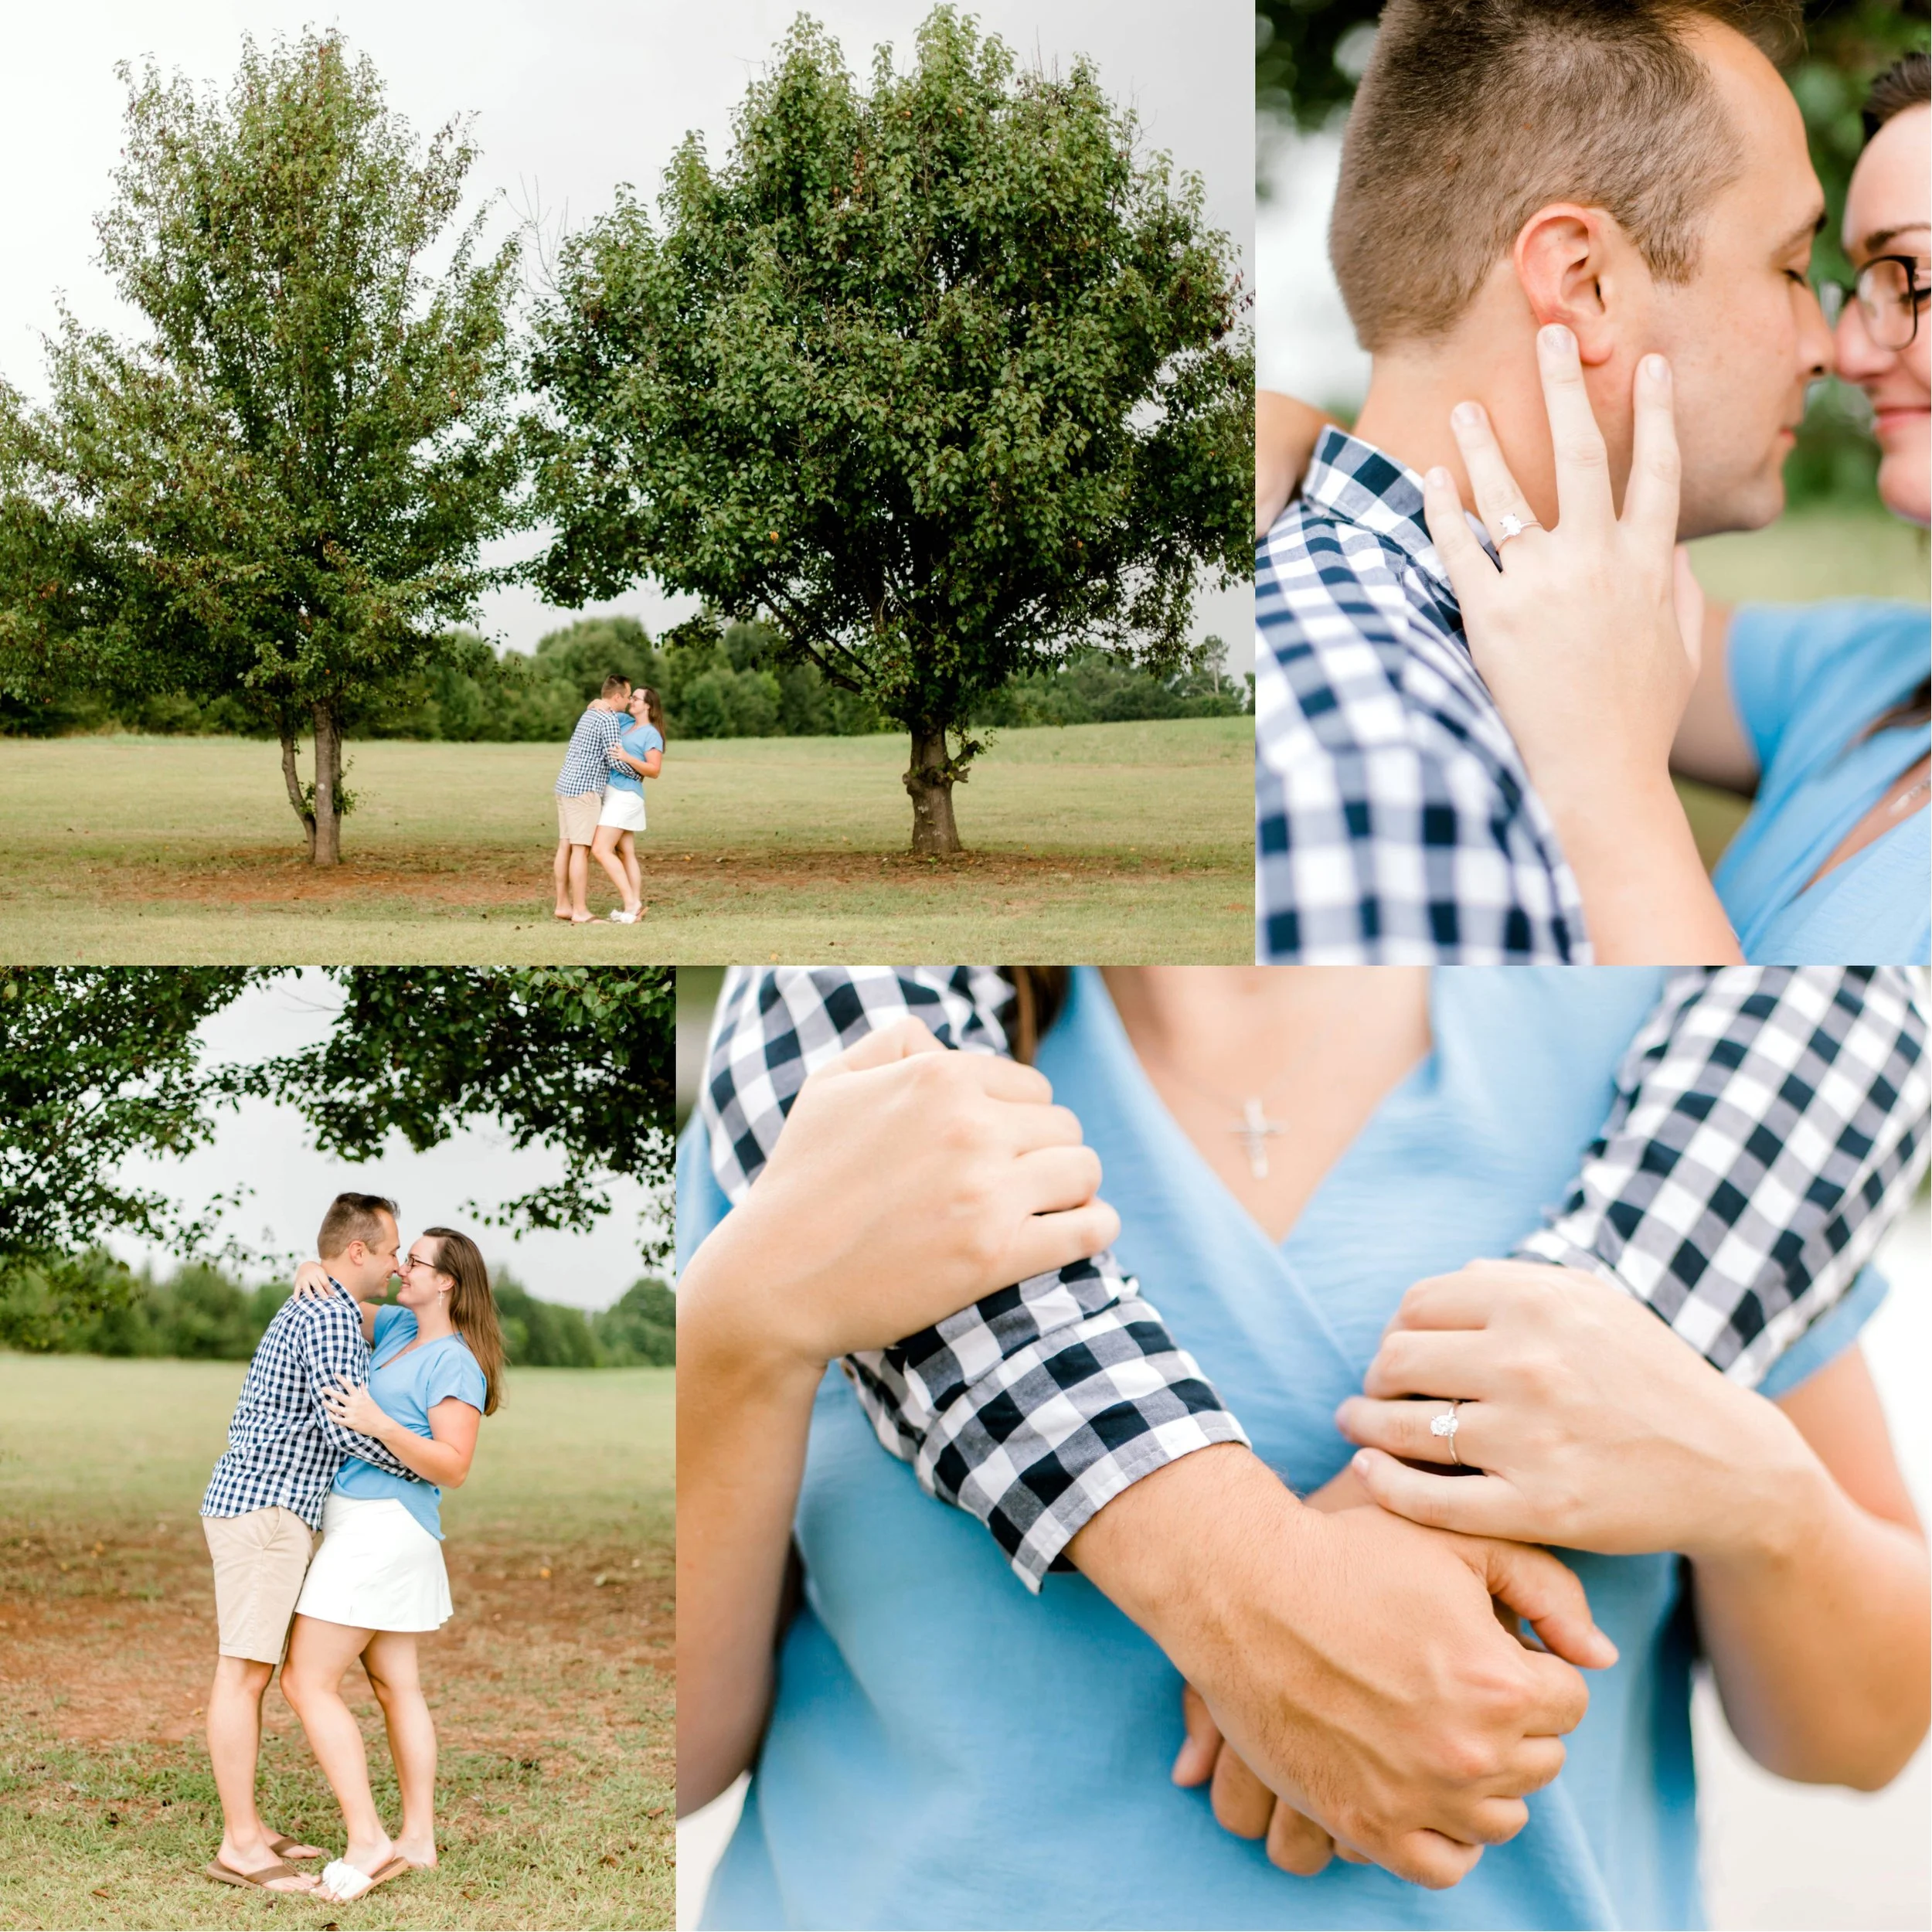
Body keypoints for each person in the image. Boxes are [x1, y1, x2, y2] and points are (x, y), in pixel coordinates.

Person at [678, 964, 1929, 1929]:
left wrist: (1760, 1498)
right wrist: (735, 1340)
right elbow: (668, 1762)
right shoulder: (853, 1084)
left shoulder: (1678, 1063)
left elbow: (1856, 1735)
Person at [1256, 49, 1930, 967]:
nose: (1841, 348)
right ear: (1581, 283)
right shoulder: (1871, 678)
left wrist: (1611, 790)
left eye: (1907, 278)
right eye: (1798, 271)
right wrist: (1293, 432)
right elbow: (1585, 637)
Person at [196, 1192, 426, 1895]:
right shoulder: (328, 1310)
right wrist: (422, 1462)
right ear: (356, 1252)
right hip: (265, 1513)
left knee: (255, 1671)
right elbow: (345, 1424)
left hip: (265, 1509)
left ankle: (253, 1827)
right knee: (244, 1674)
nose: (395, 1265)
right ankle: (240, 1846)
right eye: (390, 1251)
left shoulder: (322, 1297)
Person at [281, 1226, 505, 1903]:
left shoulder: (456, 1362)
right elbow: (338, 1292)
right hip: (363, 1520)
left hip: (386, 1529)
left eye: (416, 1262)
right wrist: (306, 1266)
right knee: (393, 1683)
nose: (401, 1267)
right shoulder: (399, 1327)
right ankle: (418, 1839)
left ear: (448, 1283)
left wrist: (379, 1423)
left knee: (304, 1680)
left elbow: (454, 1467)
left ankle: (368, 1840)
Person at [553, 673, 633, 926]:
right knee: (581, 848)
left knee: (565, 845)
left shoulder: (590, 713)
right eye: (628, 697)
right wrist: (639, 772)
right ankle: (580, 912)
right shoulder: (608, 718)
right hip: (584, 791)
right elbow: (615, 759)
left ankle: (563, 905)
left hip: (565, 785)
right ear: (617, 696)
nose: (629, 702)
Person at [590, 684, 666, 925]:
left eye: (636, 698)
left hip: (627, 795)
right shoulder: (623, 722)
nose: (630, 700)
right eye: (630, 697)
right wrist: (598, 702)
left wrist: (627, 757)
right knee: (625, 852)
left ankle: (633, 903)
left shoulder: (651, 734)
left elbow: (654, 771)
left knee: (600, 849)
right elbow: (595, 706)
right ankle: (632, 908)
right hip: (611, 792)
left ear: (648, 706)